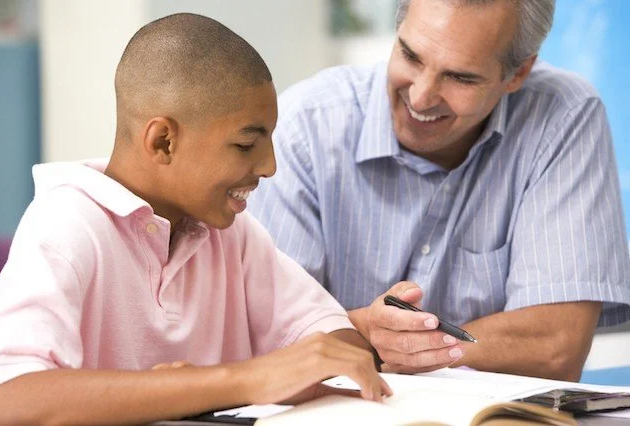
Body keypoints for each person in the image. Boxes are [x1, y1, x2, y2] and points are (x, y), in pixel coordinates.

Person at [0, 13, 391, 425]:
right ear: (163, 141)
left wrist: (305, 368)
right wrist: (235, 381)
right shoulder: (66, 228)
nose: (269, 167)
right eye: (246, 144)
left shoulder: (230, 237)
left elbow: (340, 345)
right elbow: (5, 400)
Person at [249, 0, 630, 381]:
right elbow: (267, 342)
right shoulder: (305, 129)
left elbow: (555, 347)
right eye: (410, 56)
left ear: (518, 73)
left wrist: (378, 342)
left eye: (460, 78)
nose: (420, 97)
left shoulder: (563, 115)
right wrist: (372, 329)